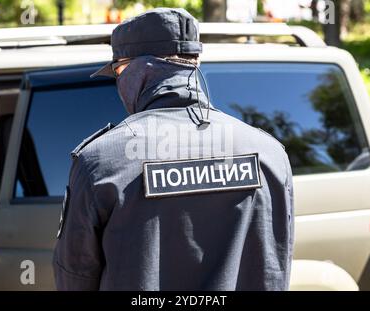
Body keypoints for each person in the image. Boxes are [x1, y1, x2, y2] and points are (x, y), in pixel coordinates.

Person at [53, 7, 294, 291]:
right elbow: (276, 270)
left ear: (138, 70)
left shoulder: (100, 161)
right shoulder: (270, 154)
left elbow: (75, 278)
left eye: (118, 71)